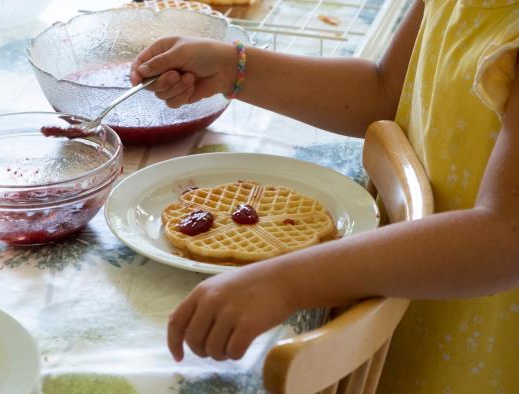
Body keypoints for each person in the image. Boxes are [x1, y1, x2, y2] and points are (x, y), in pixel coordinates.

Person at [129, 1, 519, 392]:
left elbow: (504, 239)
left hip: (476, 340)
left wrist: (286, 283)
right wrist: (233, 68)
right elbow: (384, 91)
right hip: (399, 292)